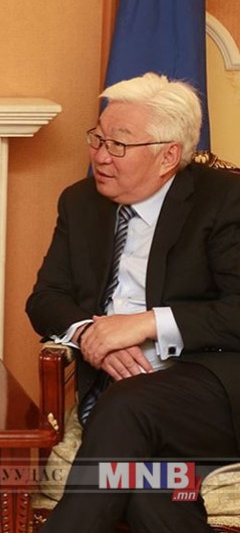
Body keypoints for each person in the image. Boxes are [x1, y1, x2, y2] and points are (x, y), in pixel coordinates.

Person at [26, 72, 240, 532]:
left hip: (208, 395)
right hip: (119, 399)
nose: (101, 156)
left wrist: (146, 324)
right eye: (98, 138)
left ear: (168, 156)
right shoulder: (80, 202)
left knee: (127, 405)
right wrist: (92, 335)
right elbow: (45, 299)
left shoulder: (224, 201)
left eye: (119, 145)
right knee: (145, 493)